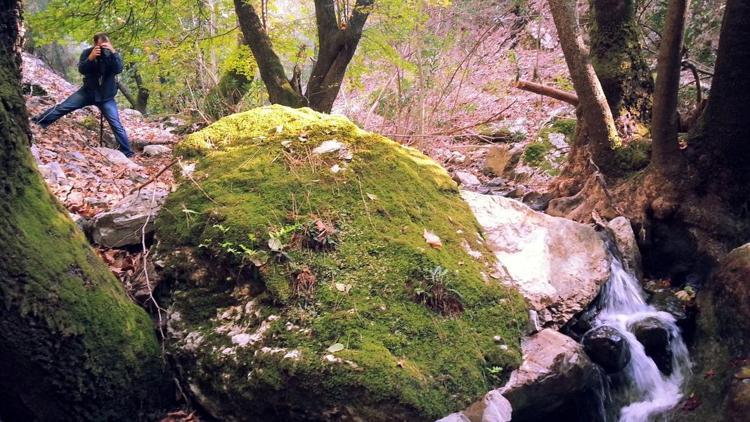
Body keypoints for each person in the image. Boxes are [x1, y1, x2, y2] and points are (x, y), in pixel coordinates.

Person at [32, 32, 134, 157]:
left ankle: (127, 152)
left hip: (106, 97)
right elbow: (82, 70)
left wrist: (113, 52)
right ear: (95, 43)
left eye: (105, 44)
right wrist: (91, 58)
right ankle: (38, 123)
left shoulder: (112, 54)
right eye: (100, 45)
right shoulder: (87, 53)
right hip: (87, 92)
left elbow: (118, 69)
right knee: (63, 107)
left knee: (116, 123)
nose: (103, 48)